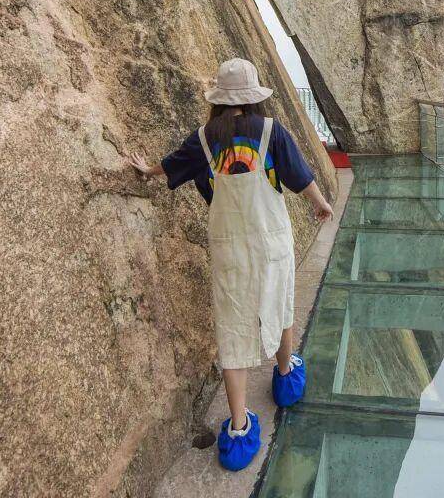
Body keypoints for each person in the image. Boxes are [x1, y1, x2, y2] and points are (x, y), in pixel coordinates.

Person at [128, 58, 333, 471]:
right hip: (272, 240)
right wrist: (321, 203)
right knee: (279, 304)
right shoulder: (271, 130)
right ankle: (285, 377)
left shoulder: (205, 139)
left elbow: (170, 165)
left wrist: (145, 170)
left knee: (233, 326)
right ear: (253, 97)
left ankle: (239, 428)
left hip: (229, 248)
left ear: (219, 99)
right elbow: (299, 175)